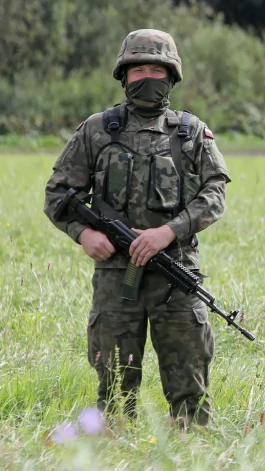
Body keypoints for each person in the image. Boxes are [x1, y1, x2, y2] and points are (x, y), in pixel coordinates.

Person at [43, 29, 231, 427]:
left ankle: (194, 459)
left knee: (190, 389)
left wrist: (169, 231)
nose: (148, 77)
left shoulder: (192, 133)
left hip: (175, 273)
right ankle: (114, 457)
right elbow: (58, 194)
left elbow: (215, 194)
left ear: (172, 76)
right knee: (112, 389)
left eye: (157, 70)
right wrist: (85, 234)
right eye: (138, 69)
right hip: (116, 277)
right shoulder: (97, 131)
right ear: (124, 75)